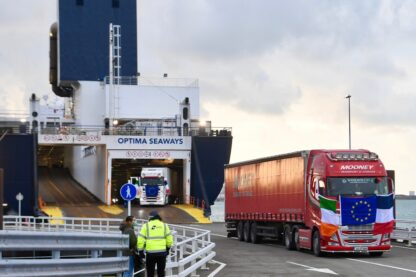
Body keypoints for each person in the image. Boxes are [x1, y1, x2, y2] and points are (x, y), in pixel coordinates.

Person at [137, 210, 173, 277]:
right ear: (158, 217)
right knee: (161, 272)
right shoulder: (164, 226)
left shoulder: (146, 226)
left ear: (150, 218)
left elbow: (140, 239)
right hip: (162, 253)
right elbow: (169, 239)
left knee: (150, 272)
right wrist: (167, 248)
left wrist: (140, 251)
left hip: (150, 253)